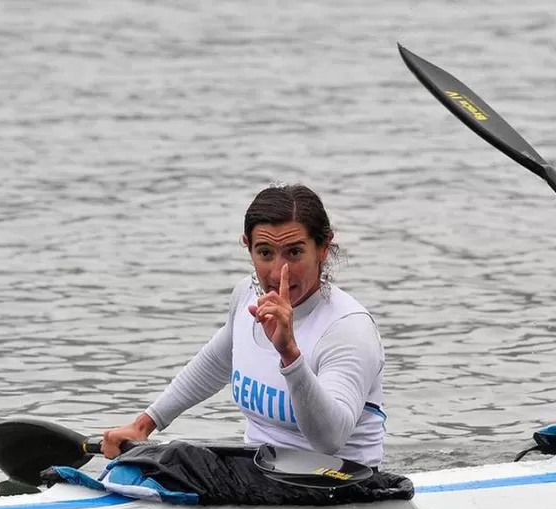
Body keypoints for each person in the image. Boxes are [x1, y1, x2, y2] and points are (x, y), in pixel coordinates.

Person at [102, 183, 387, 468]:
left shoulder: (348, 328)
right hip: (261, 477)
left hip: (341, 486)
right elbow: (215, 363)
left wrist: (289, 354)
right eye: (265, 253)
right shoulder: (246, 296)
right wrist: (144, 425)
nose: (277, 273)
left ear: (323, 249)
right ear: (247, 247)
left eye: (294, 253)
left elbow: (330, 440)